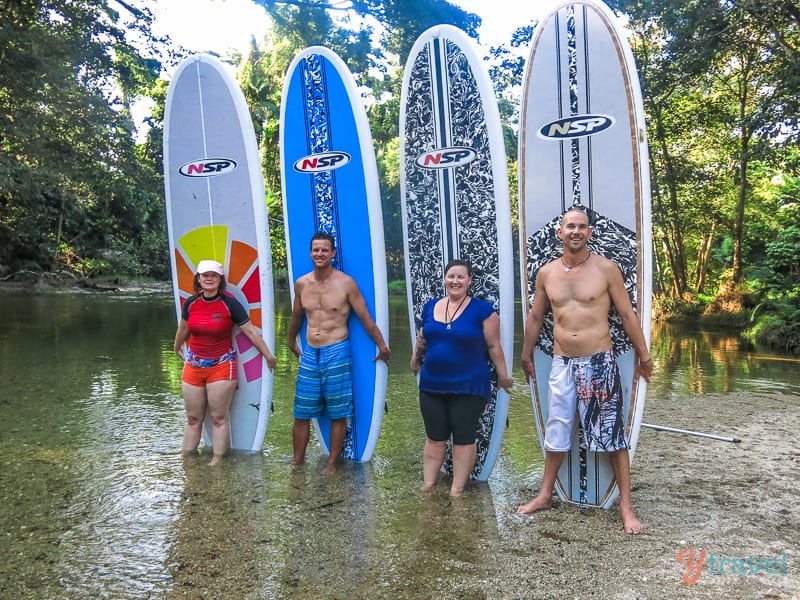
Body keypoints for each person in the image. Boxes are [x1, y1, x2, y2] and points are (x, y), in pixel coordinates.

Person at [516, 207, 652, 534]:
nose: (576, 231)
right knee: (557, 430)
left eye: (582, 227)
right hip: (562, 362)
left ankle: (626, 506)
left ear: (590, 233)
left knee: (612, 434)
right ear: (559, 232)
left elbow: (627, 315)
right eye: (570, 226)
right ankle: (545, 494)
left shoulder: (606, 269)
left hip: (598, 362)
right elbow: (536, 318)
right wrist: (526, 354)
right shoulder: (547, 273)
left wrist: (643, 355)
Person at [287, 232, 391, 473]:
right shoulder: (302, 283)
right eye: (316, 250)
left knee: (338, 410)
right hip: (311, 351)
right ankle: (297, 461)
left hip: (337, 350)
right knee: (301, 411)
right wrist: (291, 341)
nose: (320, 254)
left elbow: (366, 319)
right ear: (310, 253)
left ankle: (332, 462)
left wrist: (382, 347)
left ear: (333, 253)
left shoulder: (346, 283)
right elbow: (296, 316)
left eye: (324, 250)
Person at [410, 259, 513, 496]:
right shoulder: (430, 306)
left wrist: (503, 376)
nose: (455, 281)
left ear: (469, 281)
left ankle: (456, 489)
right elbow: (422, 339)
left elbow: (494, 346)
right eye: (451, 276)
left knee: (464, 438)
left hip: (469, 385)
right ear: (444, 279)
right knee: (434, 437)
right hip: (432, 384)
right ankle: (428, 484)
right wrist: (415, 361)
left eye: (460, 277)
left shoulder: (482, 310)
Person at [173, 259, 277, 466]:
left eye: (213, 275)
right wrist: (176, 347)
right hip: (194, 366)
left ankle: (217, 462)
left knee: (219, 417)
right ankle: (186, 460)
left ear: (220, 279)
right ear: (199, 279)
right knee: (193, 419)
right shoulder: (191, 304)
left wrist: (268, 355)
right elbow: (183, 330)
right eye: (205, 275)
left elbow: (250, 332)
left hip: (222, 366)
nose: (209, 279)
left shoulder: (230, 304)